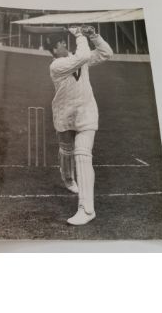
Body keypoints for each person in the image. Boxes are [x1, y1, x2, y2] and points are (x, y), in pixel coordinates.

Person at [48, 26, 113, 225]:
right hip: (64, 114)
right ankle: (68, 179)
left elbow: (106, 53)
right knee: (66, 150)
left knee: (83, 156)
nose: (62, 44)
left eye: (63, 41)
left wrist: (93, 35)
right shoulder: (56, 65)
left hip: (86, 112)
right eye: (59, 43)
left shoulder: (79, 59)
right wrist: (78, 34)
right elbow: (83, 56)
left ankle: (86, 209)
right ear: (53, 51)